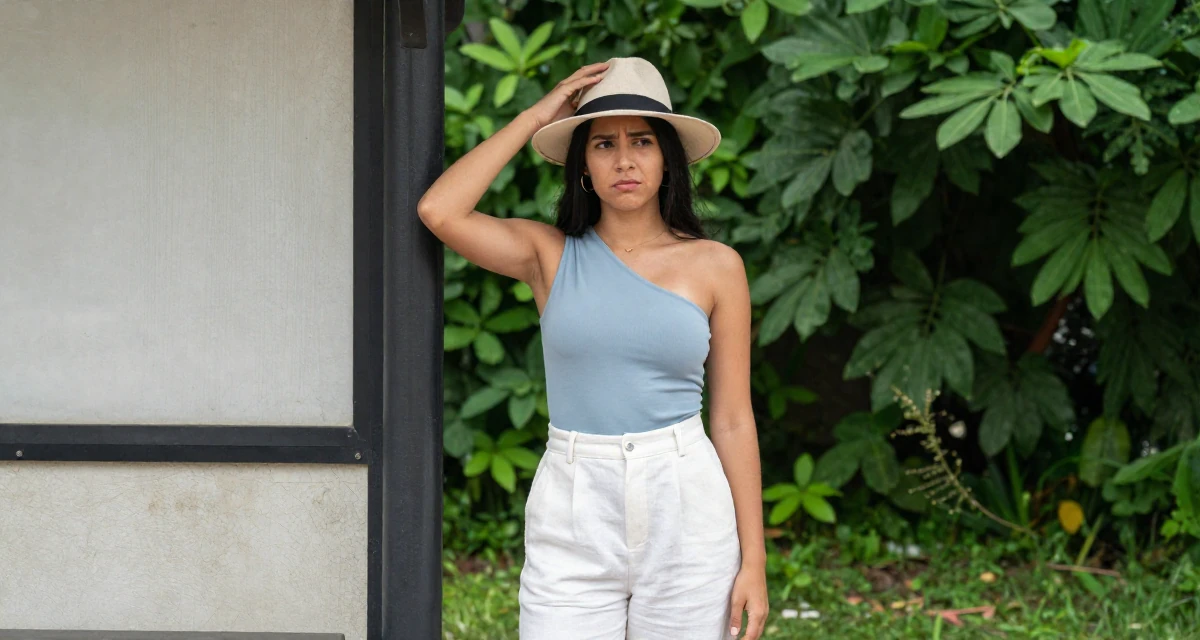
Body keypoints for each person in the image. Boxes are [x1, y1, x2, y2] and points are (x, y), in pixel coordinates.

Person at [418, 57, 768, 640]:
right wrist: (539, 113)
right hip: (575, 504)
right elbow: (439, 210)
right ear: (582, 163)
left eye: (642, 142)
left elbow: (732, 420)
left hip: (686, 502)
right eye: (603, 143)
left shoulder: (716, 267)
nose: (624, 160)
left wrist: (752, 560)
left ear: (667, 159)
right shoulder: (548, 256)